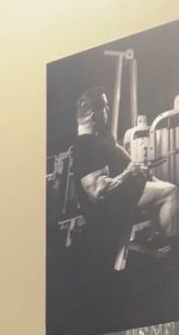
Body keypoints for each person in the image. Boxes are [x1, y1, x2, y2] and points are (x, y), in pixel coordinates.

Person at [72, 88, 178, 256]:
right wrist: (128, 172)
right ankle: (174, 252)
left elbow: (116, 150)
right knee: (170, 192)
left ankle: (161, 239)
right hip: (106, 209)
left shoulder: (99, 135)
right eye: (104, 107)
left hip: (119, 195)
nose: (107, 110)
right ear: (93, 116)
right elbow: (97, 193)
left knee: (161, 184)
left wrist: (136, 167)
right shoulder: (84, 147)